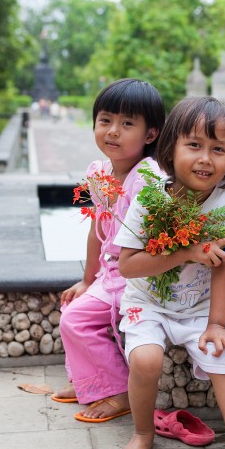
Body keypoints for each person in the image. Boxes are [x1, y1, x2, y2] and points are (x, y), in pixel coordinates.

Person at [114, 96, 225, 449]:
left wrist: (216, 324)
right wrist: (187, 252)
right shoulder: (151, 196)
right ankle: (143, 433)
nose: (205, 158)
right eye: (194, 145)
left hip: (198, 310)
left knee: (223, 359)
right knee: (146, 359)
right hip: (146, 302)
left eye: (218, 149)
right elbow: (128, 266)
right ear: (170, 148)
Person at [54, 79, 165, 423]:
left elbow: (154, 244)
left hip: (137, 275)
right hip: (110, 272)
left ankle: (118, 390)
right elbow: (95, 230)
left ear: (150, 135)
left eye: (127, 123)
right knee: (72, 305)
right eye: (105, 121)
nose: (113, 131)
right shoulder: (98, 172)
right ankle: (91, 381)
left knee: (76, 319)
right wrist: (87, 280)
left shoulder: (148, 177)